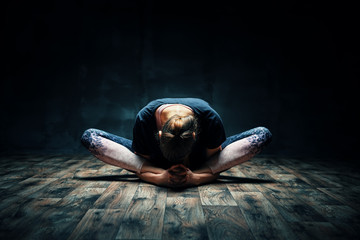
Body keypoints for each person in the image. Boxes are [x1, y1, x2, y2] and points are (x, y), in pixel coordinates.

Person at [81, 98, 272, 188]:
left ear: (195, 136)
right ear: (160, 133)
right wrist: (160, 177)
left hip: (200, 163)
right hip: (155, 163)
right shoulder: (144, 119)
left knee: (262, 135)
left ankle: (194, 174)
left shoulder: (210, 118)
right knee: (90, 137)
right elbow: (142, 162)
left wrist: (195, 178)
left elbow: (215, 162)